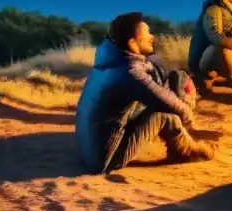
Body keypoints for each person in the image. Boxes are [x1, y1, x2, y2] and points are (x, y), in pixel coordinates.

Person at [76, 12, 215, 174]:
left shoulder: (111, 59)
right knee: (167, 116)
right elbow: (168, 103)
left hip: (87, 147)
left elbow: (150, 72)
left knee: (159, 91)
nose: (152, 37)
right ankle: (189, 151)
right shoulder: (130, 73)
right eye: (147, 33)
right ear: (133, 43)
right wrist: (191, 121)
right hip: (105, 158)